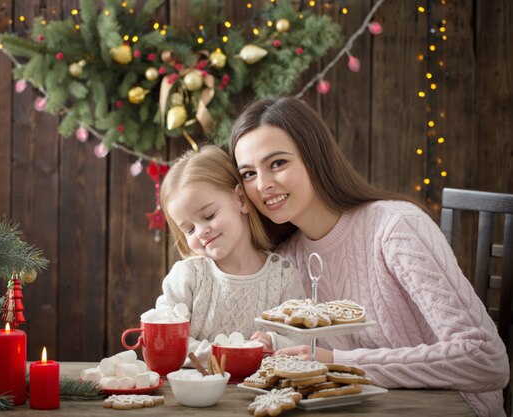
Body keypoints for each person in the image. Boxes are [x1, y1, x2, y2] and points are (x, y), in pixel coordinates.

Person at [230, 96, 509, 417]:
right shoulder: (285, 259)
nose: (263, 184)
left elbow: (487, 360)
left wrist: (341, 363)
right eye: (249, 174)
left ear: (314, 156)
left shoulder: (395, 227)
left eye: (277, 163)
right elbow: (313, 359)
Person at [155, 145, 305, 366]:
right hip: (195, 392)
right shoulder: (188, 276)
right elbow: (164, 336)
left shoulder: (282, 275)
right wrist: (229, 354)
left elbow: (301, 339)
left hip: (262, 394)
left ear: (241, 200)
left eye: (209, 215)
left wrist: (272, 343)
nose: (201, 231)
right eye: (189, 230)